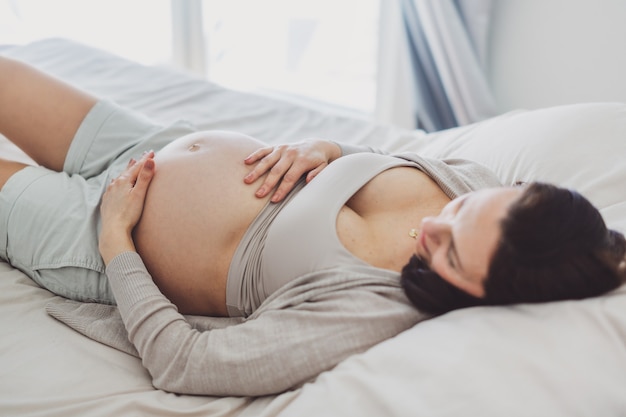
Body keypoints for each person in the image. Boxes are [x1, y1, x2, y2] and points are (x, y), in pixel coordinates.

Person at [1, 56, 624, 397]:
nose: (434, 227)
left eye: (452, 256)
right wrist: (321, 147)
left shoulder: (372, 313)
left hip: (98, 233)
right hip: (151, 142)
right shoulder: (478, 185)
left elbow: (188, 364)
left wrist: (115, 240)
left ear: (481, 297)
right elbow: (372, 163)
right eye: (460, 214)